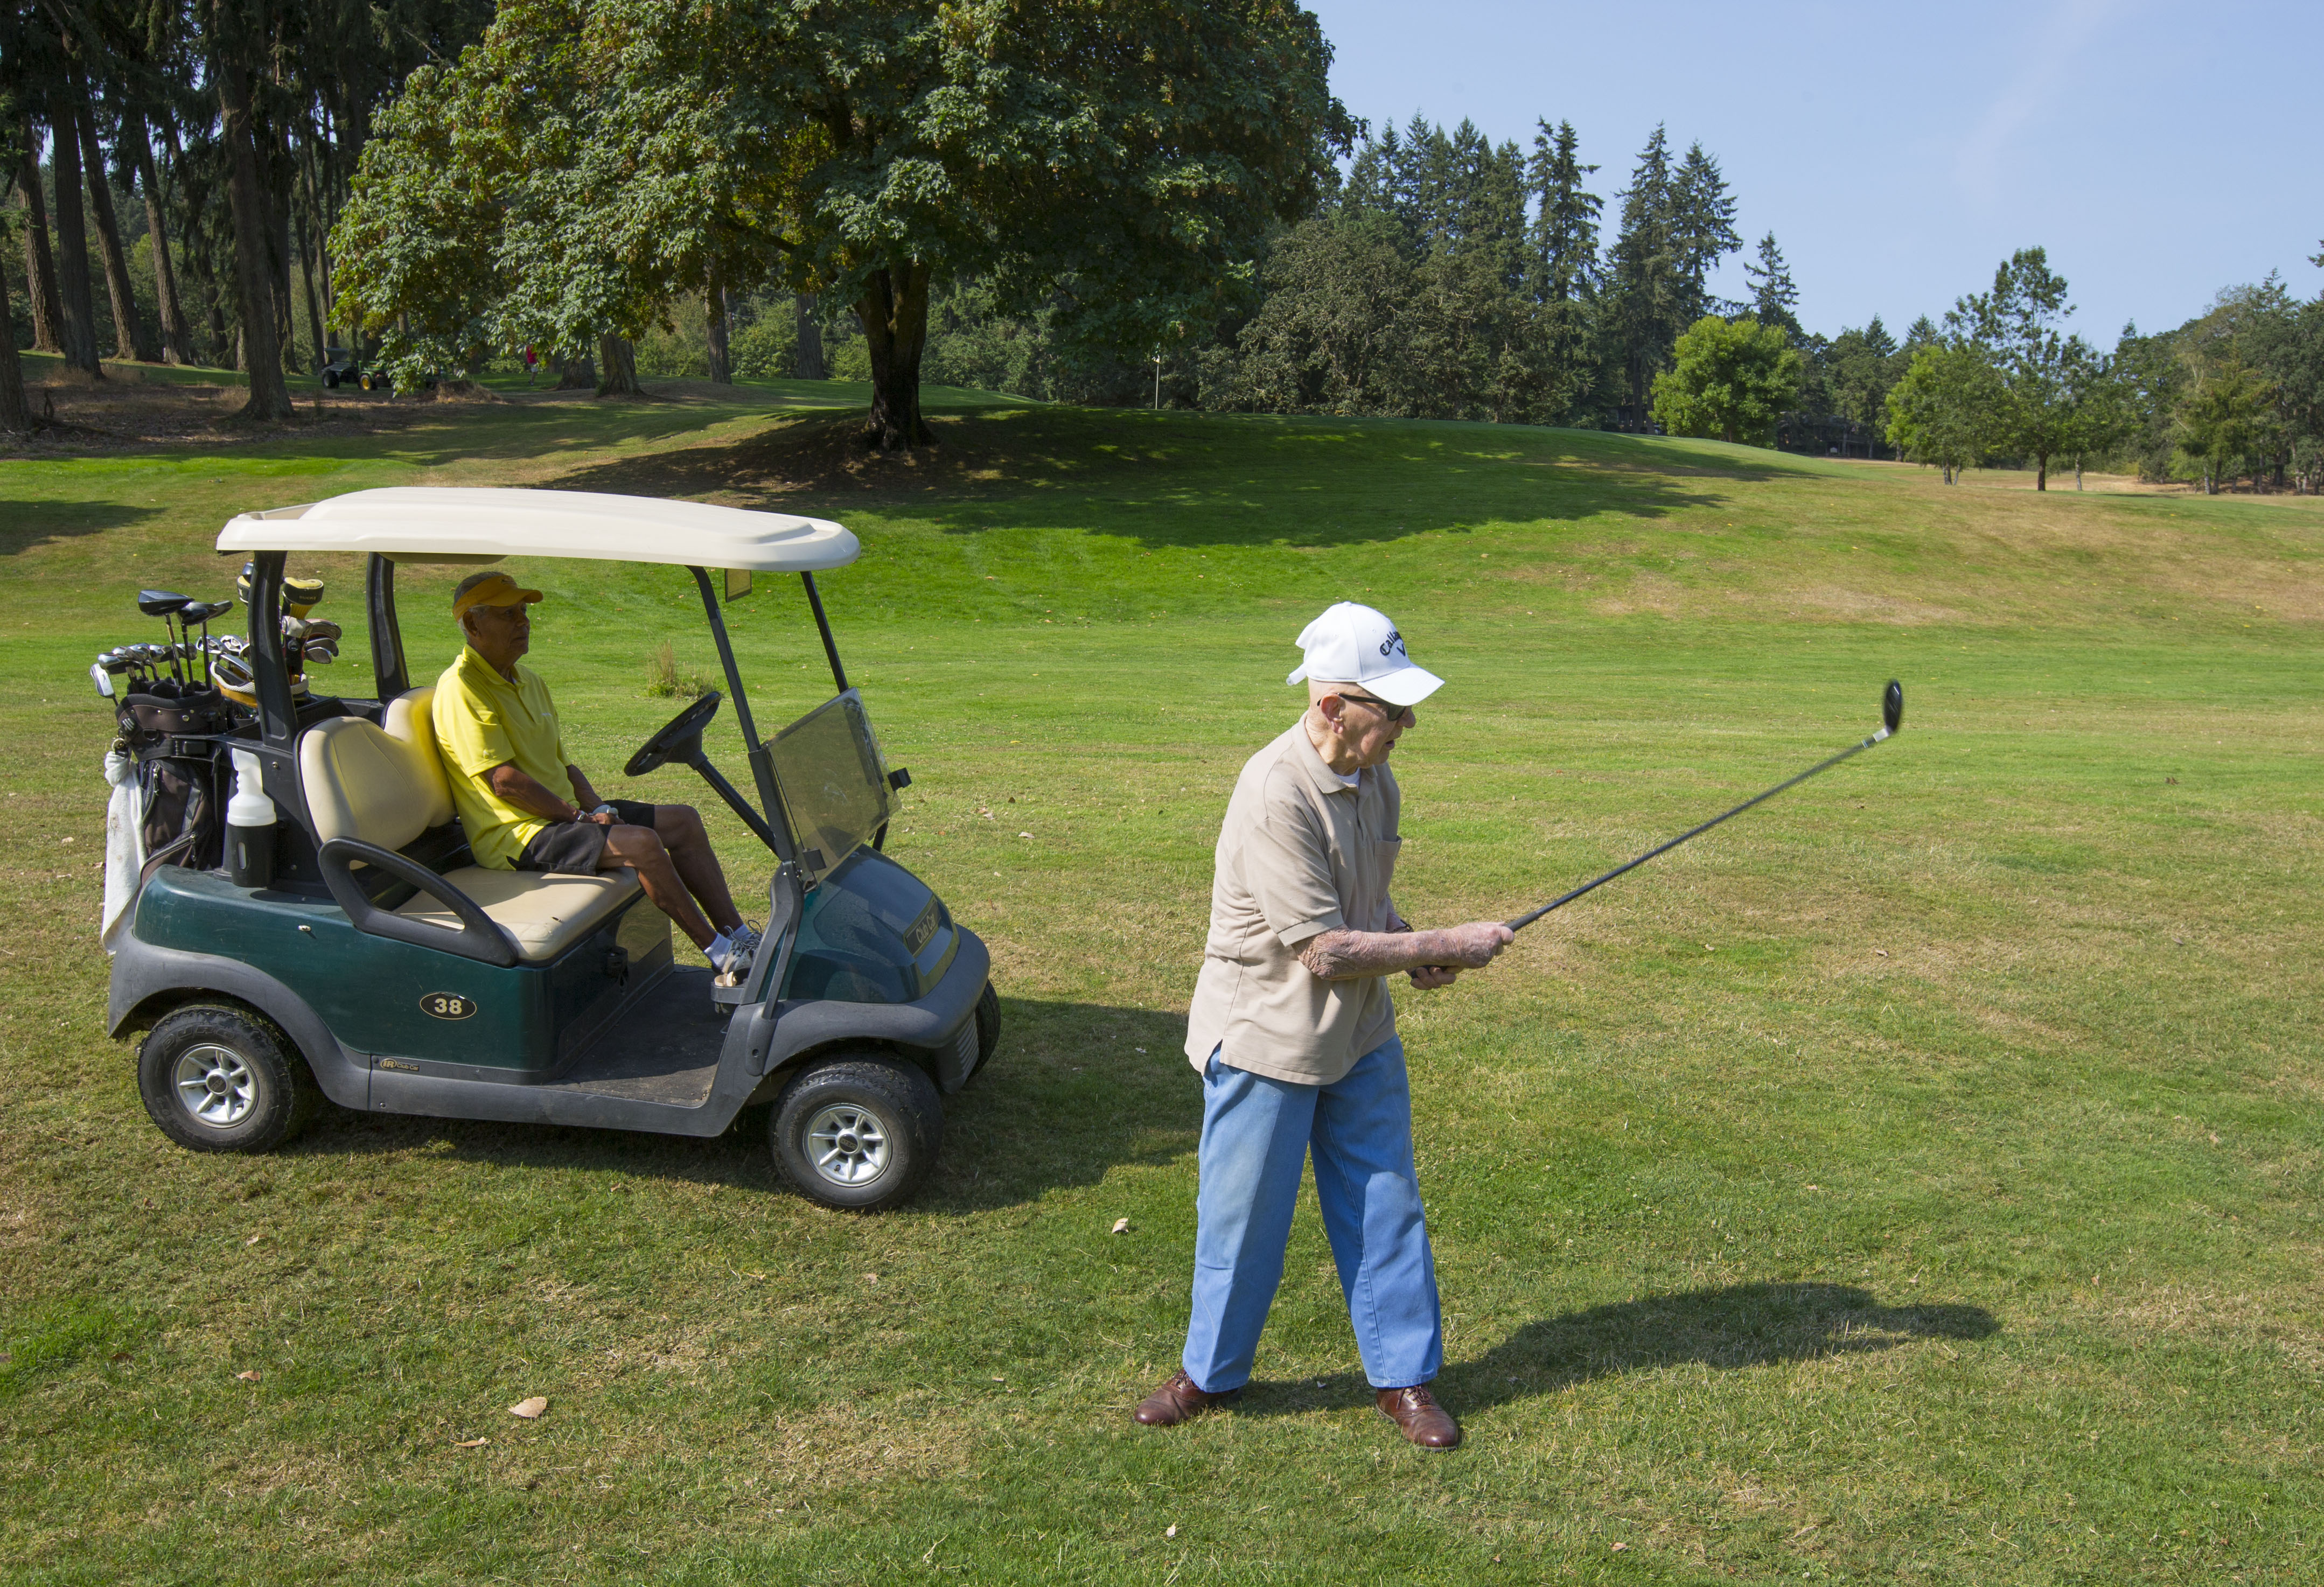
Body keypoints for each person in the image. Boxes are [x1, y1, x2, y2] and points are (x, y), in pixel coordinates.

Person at [1133, 602, 1513, 1450]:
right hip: (1267, 1037)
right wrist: (1445, 940)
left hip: (1360, 1033)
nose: (1407, 722)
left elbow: (1363, 903)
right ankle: (1210, 1372)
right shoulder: (1272, 788)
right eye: (1390, 708)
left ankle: (1403, 1379)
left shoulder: (1376, 778)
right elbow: (1324, 948)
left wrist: (1413, 945)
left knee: (1386, 1203)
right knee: (1244, 1219)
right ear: (1331, 705)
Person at [430, 570, 759, 983]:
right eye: (506, 614)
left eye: (523, 611)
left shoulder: (528, 681)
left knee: (684, 821)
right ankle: (721, 954)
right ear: (473, 624)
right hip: (517, 835)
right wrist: (579, 818)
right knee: (641, 844)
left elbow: (564, 766)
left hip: (559, 818)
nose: (523, 622)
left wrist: (598, 808)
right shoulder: (461, 688)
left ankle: (741, 935)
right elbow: (504, 782)